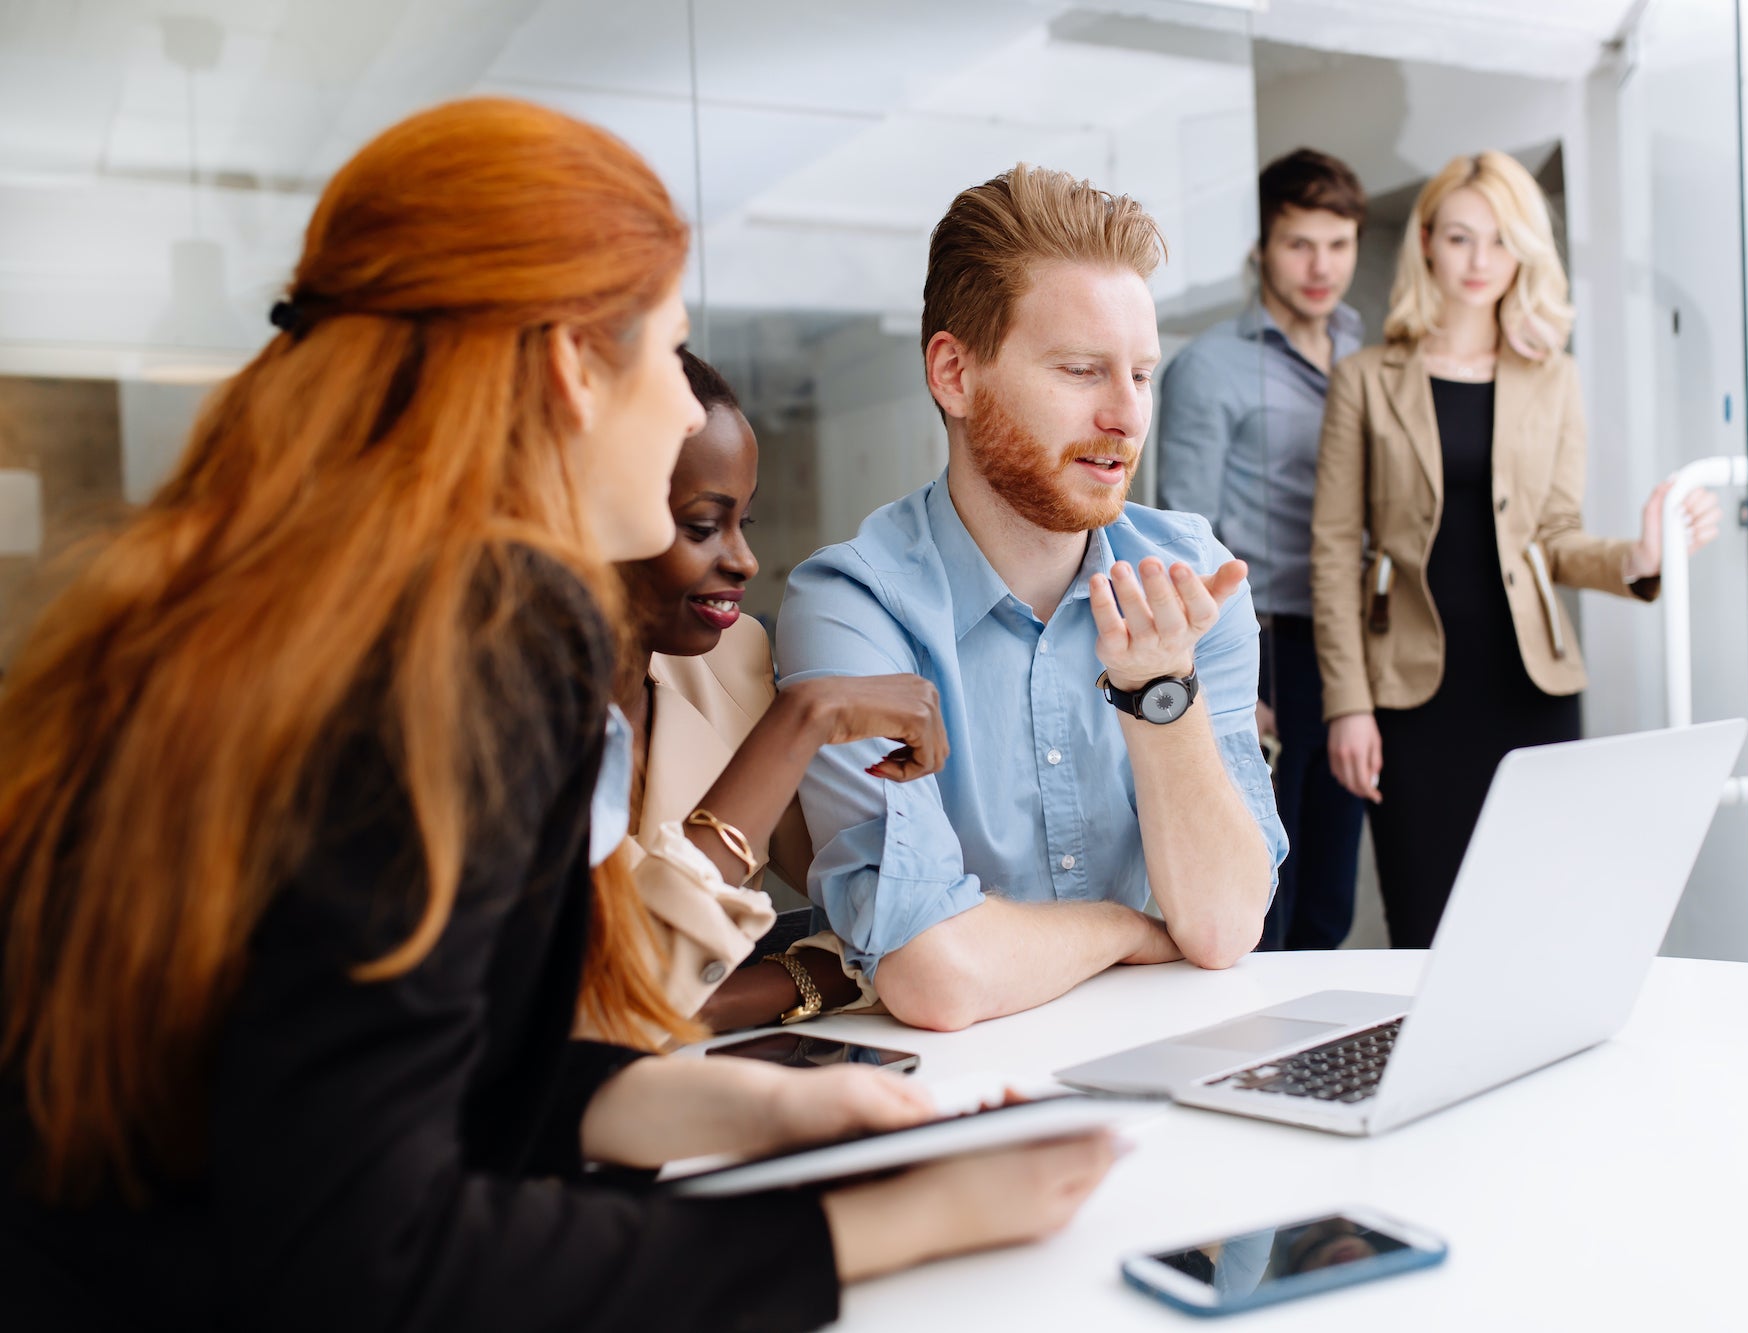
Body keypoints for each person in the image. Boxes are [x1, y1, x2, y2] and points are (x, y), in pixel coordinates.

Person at [0, 99, 1120, 1332]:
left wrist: (752, 1110)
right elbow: (370, 1254)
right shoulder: (485, 635)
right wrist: (890, 1222)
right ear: (567, 369)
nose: (685, 415)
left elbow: (386, 1090)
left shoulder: (259, 594)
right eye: (668, 353)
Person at [776, 164, 1289, 1034]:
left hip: (1179, 1054)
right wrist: (1130, 928)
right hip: (967, 1096)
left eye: (1143, 374)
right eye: (1084, 369)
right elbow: (936, 974)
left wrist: (1159, 690)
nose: (1127, 416)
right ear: (954, 374)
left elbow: (1222, 926)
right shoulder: (854, 606)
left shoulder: (1194, 582)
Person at [1310, 150, 1723, 948]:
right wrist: (1349, 705)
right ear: (1427, 241)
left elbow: (1556, 538)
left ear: (1523, 252)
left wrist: (1641, 556)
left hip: (1526, 687)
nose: (1479, 261)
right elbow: (1331, 553)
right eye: (1461, 238)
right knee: (1426, 926)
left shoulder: (1552, 377)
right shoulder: (1364, 379)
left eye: (1500, 241)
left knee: (1537, 924)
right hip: (1408, 699)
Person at [607, 349, 911, 1033]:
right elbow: (621, 997)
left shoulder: (732, 654)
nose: (744, 560)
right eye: (701, 525)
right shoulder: (483, 718)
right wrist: (804, 717)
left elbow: (877, 923)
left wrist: (720, 1000)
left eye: (745, 522)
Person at [1155, 147, 1371, 952]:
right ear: (1261, 249)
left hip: (1346, 646)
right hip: (1263, 642)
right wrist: (1226, 677)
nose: (1321, 267)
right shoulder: (1211, 366)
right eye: (1299, 244)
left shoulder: (1365, 352)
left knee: (1331, 893)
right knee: (1263, 895)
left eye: (1338, 244)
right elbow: (1186, 531)